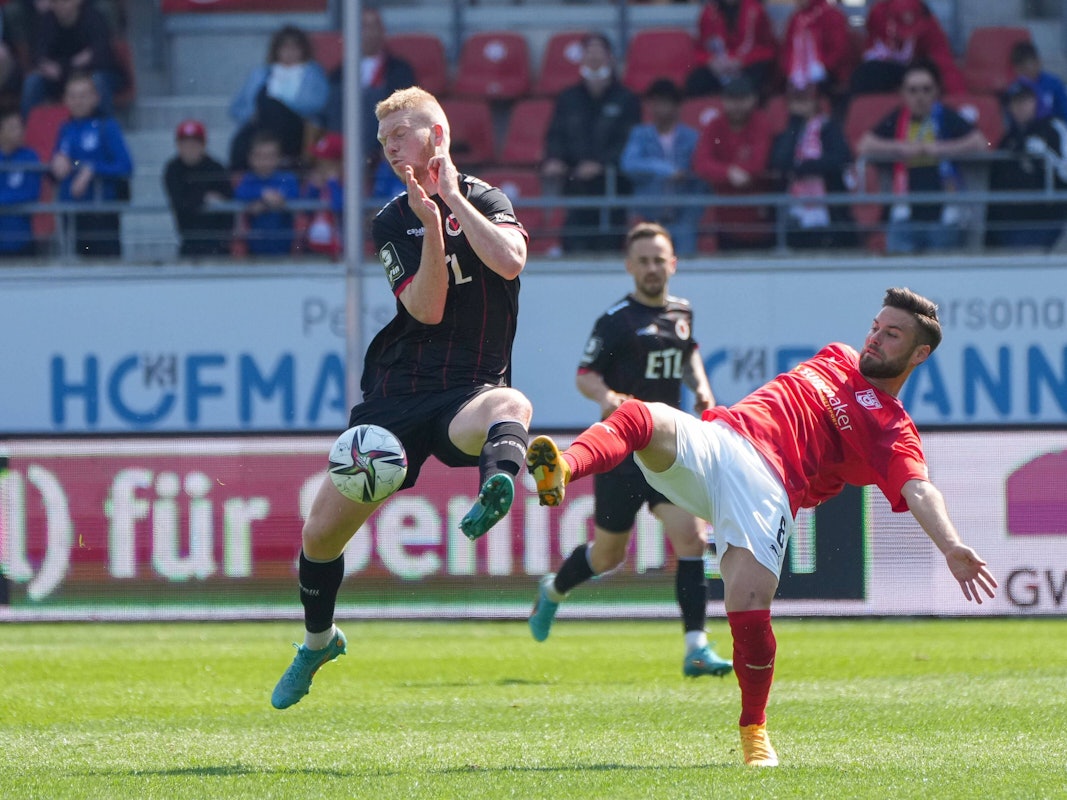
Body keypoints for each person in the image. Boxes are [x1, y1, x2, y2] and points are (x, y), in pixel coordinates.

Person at [525, 286, 998, 767]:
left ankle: (754, 729)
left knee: (748, 607)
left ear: (919, 353)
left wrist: (951, 545)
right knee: (641, 415)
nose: (875, 339)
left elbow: (919, 489)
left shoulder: (893, 430)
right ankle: (562, 467)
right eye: (875, 326)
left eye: (892, 334)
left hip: (769, 490)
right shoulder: (836, 355)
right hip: (722, 439)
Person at [271, 86, 533, 710]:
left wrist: (450, 205)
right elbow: (427, 306)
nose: (388, 149)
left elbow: (512, 261)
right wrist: (430, 229)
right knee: (319, 538)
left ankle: (495, 488)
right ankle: (317, 642)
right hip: (396, 396)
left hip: (470, 388)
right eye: (382, 141)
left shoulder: (487, 198)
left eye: (398, 136)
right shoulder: (390, 219)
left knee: (512, 406)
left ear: (435, 135)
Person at [528, 222, 731, 679]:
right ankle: (554, 591)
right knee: (608, 556)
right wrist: (604, 398)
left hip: (667, 450)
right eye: (643, 260)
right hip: (620, 452)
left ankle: (696, 646)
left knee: (691, 538)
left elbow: (688, 351)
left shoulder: (682, 311)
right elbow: (584, 373)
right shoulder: (617, 319)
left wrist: (701, 389)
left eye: (659, 259)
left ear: (673, 263)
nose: (652, 268)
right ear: (629, 267)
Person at [856, 60, 986, 255]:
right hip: (904, 218)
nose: (920, 96)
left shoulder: (946, 116)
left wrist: (943, 149)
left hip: (944, 219)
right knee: (900, 282)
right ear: (903, 94)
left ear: (935, 92)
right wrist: (900, 148)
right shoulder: (897, 118)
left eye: (926, 89)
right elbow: (864, 145)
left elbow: (981, 143)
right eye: (913, 90)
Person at [541, 33, 641, 254]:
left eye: (599, 51)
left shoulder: (626, 99)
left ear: (611, 57)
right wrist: (554, 159)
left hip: (613, 188)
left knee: (608, 246)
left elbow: (629, 141)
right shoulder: (568, 98)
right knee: (575, 243)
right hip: (575, 186)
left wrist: (602, 165)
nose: (594, 56)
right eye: (589, 51)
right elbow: (555, 134)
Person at [321, 6, 414, 197]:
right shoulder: (338, 74)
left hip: (385, 141)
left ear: (382, 32)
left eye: (373, 26)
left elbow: (406, 110)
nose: (367, 32)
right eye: (362, 26)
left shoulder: (400, 70)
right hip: (344, 142)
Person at [50, 69, 131, 257]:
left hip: (100, 212)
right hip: (72, 211)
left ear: (95, 98)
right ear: (66, 99)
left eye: (84, 95)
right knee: (75, 266)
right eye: (73, 96)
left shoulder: (107, 126)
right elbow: (63, 161)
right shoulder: (65, 129)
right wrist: (56, 164)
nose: (78, 101)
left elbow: (125, 165)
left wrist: (93, 169)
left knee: (104, 266)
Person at [620, 79, 704, 258]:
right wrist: (665, 170)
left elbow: (700, 172)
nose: (658, 109)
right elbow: (629, 164)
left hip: (683, 217)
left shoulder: (692, 137)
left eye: (664, 103)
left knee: (686, 265)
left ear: (676, 106)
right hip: (647, 215)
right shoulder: (640, 135)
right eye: (654, 103)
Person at [767, 81, 857, 250]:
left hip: (829, 212)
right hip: (794, 213)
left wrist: (804, 166)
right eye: (796, 100)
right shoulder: (788, 131)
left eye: (806, 99)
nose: (801, 105)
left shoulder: (829, 128)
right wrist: (795, 123)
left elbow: (839, 159)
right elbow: (780, 162)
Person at [228, 24, 329, 171]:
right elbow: (237, 107)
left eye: (294, 48)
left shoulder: (313, 73)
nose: (289, 53)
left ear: (303, 50)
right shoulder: (261, 73)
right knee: (242, 138)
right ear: (276, 50)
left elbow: (318, 104)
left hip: (296, 126)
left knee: (270, 104)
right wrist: (253, 114)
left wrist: (280, 104)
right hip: (262, 124)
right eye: (285, 48)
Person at [691, 74, 773, 250]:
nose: (737, 105)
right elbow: (701, 162)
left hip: (759, 213)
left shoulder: (761, 122)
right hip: (726, 214)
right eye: (731, 99)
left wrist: (732, 172)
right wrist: (729, 172)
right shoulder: (715, 125)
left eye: (742, 99)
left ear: (753, 99)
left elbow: (758, 163)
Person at [986, 80, 1067, 250]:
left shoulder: (1054, 128)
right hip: (1008, 227)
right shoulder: (1007, 140)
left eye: (1025, 100)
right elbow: (995, 186)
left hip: (1047, 223)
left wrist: (1045, 155)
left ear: (1037, 100)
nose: (1019, 107)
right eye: (1014, 102)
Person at [21, 0, 124, 117]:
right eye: (56, 2)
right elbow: (37, 53)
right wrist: (47, 66)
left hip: (92, 72)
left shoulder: (94, 18)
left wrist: (64, 67)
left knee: (98, 80)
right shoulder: (44, 21)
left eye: (65, 2)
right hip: (58, 76)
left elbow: (101, 54)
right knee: (33, 81)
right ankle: (27, 129)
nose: (61, 5)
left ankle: (103, 127)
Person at [850, 0, 964, 97]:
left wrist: (960, 100)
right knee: (867, 72)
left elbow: (945, 65)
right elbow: (869, 51)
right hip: (880, 76)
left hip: (914, 74)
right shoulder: (877, 17)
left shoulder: (929, 25)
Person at [163, 118, 233, 258]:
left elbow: (227, 200)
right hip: (188, 239)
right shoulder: (173, 169)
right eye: (185, 143)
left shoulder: (216, 168)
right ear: (178, 145)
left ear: (203, 145)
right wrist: (203, 197)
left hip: (217, 242)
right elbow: (179, 201)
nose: (190, 148)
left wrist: (194, 197)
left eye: (194, 143)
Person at [685, 0, 777, 99]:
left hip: (747, 66)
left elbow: (767, 49)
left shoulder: (756, 11)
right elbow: (700, 48)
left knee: (759, 76)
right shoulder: (708, 12)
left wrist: (743, 61)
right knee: (696, 81)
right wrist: (710, 61)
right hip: (718, 66)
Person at [233, 129, 300, 257]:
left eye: (270, 156)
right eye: (259, 156)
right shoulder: (248, 179)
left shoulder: (287, 177)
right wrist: (262, 195)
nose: (264, 161)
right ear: (250, 158)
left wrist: (274, 201)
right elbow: (239, 194)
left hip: (285, 250)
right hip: (254, 252)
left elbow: (293, 193)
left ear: (279, 158)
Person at [778, 0, 854, 101]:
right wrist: (790, 71)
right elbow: (787, 50)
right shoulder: (796, 19)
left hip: (827, 74)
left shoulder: (832, 16)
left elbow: (839, 50)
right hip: (796, 76)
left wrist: (822, 67)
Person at [0, 105, 41, 257]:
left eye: (20, 127)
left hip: (21, 240)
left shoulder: (30, 157)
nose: (18, 132)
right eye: (12, 127)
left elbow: (31, 193)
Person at [301, 131, 344, 258]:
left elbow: (339, 207)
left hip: (339, 250)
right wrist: (313, 188)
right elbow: (305, 210)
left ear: (339, 163)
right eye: (318, 162)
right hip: (313, 248)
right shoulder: (317, 182)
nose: (320, 167)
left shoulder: (347, 183)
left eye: (325, 163)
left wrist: (332, 183)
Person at [1008, 41, 1067, 125]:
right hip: (1028, 130)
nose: (1025, 72)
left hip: (1055, 127)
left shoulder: (1054, 83)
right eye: (1021, 69)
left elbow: (1064, 110)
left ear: (1037, 62)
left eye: (1027, 67)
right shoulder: (1016, 88)